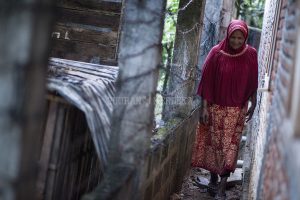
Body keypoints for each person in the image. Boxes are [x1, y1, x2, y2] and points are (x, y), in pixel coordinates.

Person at [191, 20, 258, 200]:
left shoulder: (251, 54)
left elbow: (253, 81)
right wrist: (204, 107)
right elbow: (206, 82)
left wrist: (254, 102)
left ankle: (221, 187)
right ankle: (213, 180)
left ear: (245, 37)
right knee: (214, 145)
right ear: (228, 36)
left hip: (237, 110)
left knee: (231, 148)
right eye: (233, 37)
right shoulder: (216, 53)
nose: (236, 41)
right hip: (215, 109)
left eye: (240, 38)